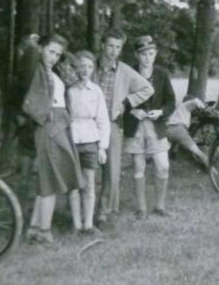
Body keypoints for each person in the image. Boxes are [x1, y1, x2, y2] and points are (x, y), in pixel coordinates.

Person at [16, 34, 84, 244]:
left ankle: (34, 229)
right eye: (50, 51)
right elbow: (29, 53)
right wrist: (34, 43)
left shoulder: (53, 71)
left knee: (49, 176)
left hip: (61, 124)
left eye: (57, 54)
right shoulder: (34, 69)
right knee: (51, 178)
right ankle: (44, 232)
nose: (53, 57)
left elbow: (75, 75)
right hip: (49, 125)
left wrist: (63, 53)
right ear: (41, 49)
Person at [92, 28, 154, 223]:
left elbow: (147, 89)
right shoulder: (91, 66)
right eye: (110, 46)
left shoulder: (125, 71)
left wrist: (125, 103)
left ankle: (103, 211)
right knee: (88, 168)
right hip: (88, 124)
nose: (113, 51)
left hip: (111, 124)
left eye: (118, 47)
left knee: (111, 170)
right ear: (102, 45)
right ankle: (85, 210)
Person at [123, 35, 176, 219]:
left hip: (156, 126)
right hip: (135, 125)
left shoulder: (162, 74)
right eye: (143, 54)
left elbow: (171, 101)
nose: (147, 58)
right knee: (139, 166)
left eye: (151, 53)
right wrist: (132, 111)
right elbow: (120, 101)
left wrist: (161, 112)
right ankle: (141, 208)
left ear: (156, 54)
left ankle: (160, 206)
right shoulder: (128, 73)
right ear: (136, 55)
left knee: (163, 166)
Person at [67, 51, 111, 234]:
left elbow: (103, 119)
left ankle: (88, 224)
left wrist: (102, 147)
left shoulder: (96, 91)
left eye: (90, 67)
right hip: (72, 140)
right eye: (82, 66)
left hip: (90, 140)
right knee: (74, 184)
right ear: (76, 68)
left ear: (93, 69)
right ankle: (76, 224)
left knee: (89, 183)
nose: (85, 70)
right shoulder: (69, 91)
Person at [166, 95, 209, 169]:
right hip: (179, 130)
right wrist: (205, 107)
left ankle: (173, 153)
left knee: (178, 140)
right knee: (198, 152)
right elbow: (195, 101)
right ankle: (209, 168)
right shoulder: (185, 106)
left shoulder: (179, 111)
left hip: (168, 130)